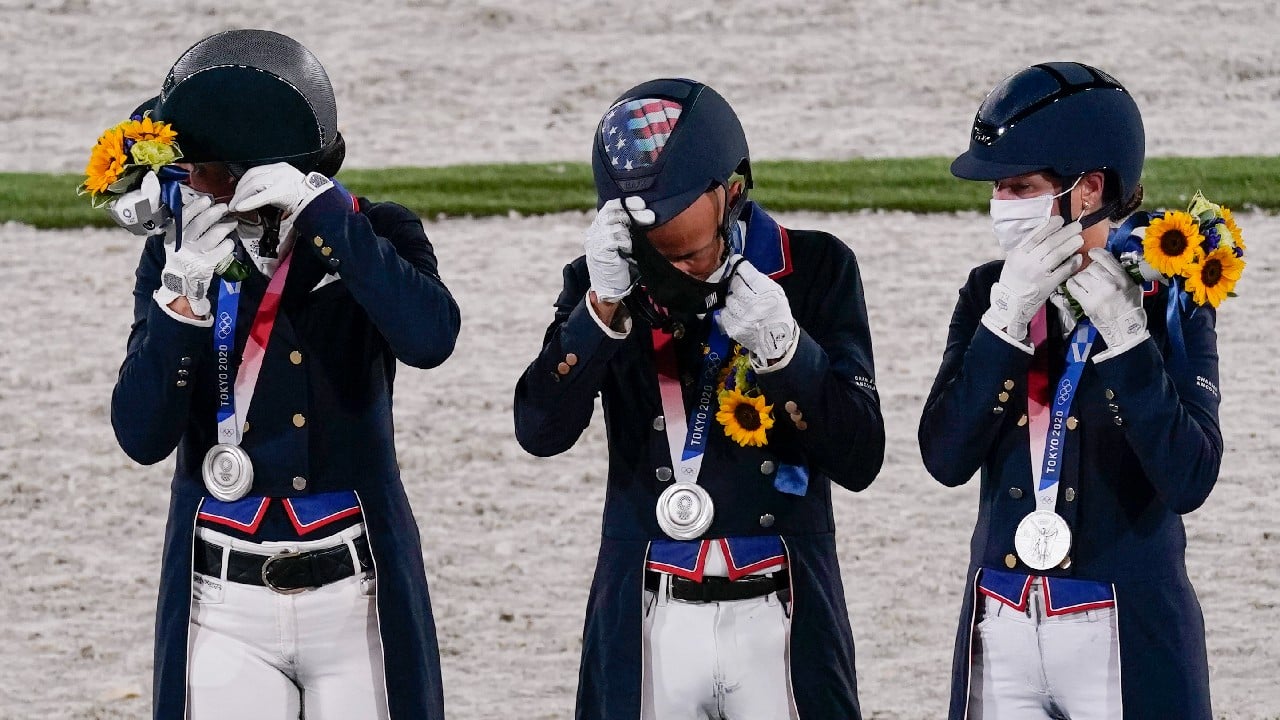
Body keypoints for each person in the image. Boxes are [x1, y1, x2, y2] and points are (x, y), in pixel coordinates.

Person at [107, 29, 460, 719]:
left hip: (355, 596)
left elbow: (430, 337)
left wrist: (328, 219)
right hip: (223, 599)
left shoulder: (375, 233)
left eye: (198, 168)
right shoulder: (177, 260)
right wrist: (179, 300)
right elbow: (140, 435)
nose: (183, 184)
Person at [514, 78, 885, 720]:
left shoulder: (820, 267)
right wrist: (599, 315)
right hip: (648, 611)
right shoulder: (601, 283)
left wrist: (788, 351)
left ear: (732, 193)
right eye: (658, 260)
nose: (674, 277)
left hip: (783, 612)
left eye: (688, 255)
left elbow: (860, 458)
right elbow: (539, 429)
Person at [919, 62, 1223, 719]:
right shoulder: (987, 292)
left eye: (1020, 185)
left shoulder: (1174, 295)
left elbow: (1190, 477)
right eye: (998, 188)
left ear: (1089, 189)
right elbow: (944, 456)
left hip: (1126, 624)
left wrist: (1126, 339)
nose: (1001, 205)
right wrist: (1003, 323)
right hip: (1001, 622)